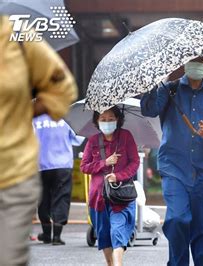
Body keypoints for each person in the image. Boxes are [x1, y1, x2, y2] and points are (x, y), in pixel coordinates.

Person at [140, 45, 203, 266]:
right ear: (184, 61)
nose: (197, 64)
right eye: (193, 59)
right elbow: (148, 109)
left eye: (202, 60)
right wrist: (155, 82)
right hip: (174, 169)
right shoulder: (169, 90)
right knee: (177, 219)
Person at [0, 16, 77, 265]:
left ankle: (50, 231)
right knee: (56, 199)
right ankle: (54, 232)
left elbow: (63, 89)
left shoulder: (20, 35)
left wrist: (20, 112)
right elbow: (76, 137)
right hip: (55, 164)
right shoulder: (64, 124)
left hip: (14, 175)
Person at [80, 106, 139, 266]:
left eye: (111, 119)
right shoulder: (92, 141)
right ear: (97, 121)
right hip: (98, 198)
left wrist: (118, 176)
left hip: (121, 196)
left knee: (117, 231)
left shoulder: (126, 136)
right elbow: (84, 167)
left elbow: (135, 162)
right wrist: (104, 163)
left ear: (118, 119)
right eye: (103, 119)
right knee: (104, 235)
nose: (107, 122)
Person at [33, 114, 84, 245]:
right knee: (61, 197)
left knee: (43, 197)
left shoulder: (35, 119)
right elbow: (78, 138)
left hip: (41, 164)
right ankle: (56, 236)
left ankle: (46, 233)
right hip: (63, 164)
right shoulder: (66, 117)